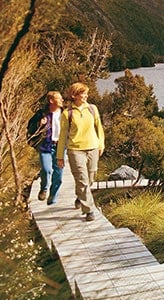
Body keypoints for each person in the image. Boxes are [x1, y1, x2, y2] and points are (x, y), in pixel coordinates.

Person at [57, 82, 105, 222]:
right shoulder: (67, 113)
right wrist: (60, 156)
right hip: (75, 150)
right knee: (82, 181)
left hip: (93, 148)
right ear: (74, 95)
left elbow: (99, 128)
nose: (86, 95)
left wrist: (100, 144)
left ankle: (80, 197)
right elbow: (62, 136)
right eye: (82, 93)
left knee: (91, 178)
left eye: (86, 93)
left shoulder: (92, 109)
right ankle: (89, 210)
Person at [27, 91, 64, 204]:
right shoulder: (42, 114)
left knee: (58, 173)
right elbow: (30, 126)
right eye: (59, 98)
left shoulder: (65, 113)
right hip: (45, 145)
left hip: (60, 146)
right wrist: (39, 123)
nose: (62, 100)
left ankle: (53, 194)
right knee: (46, 169)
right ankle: (44, 188)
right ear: (51, 101)